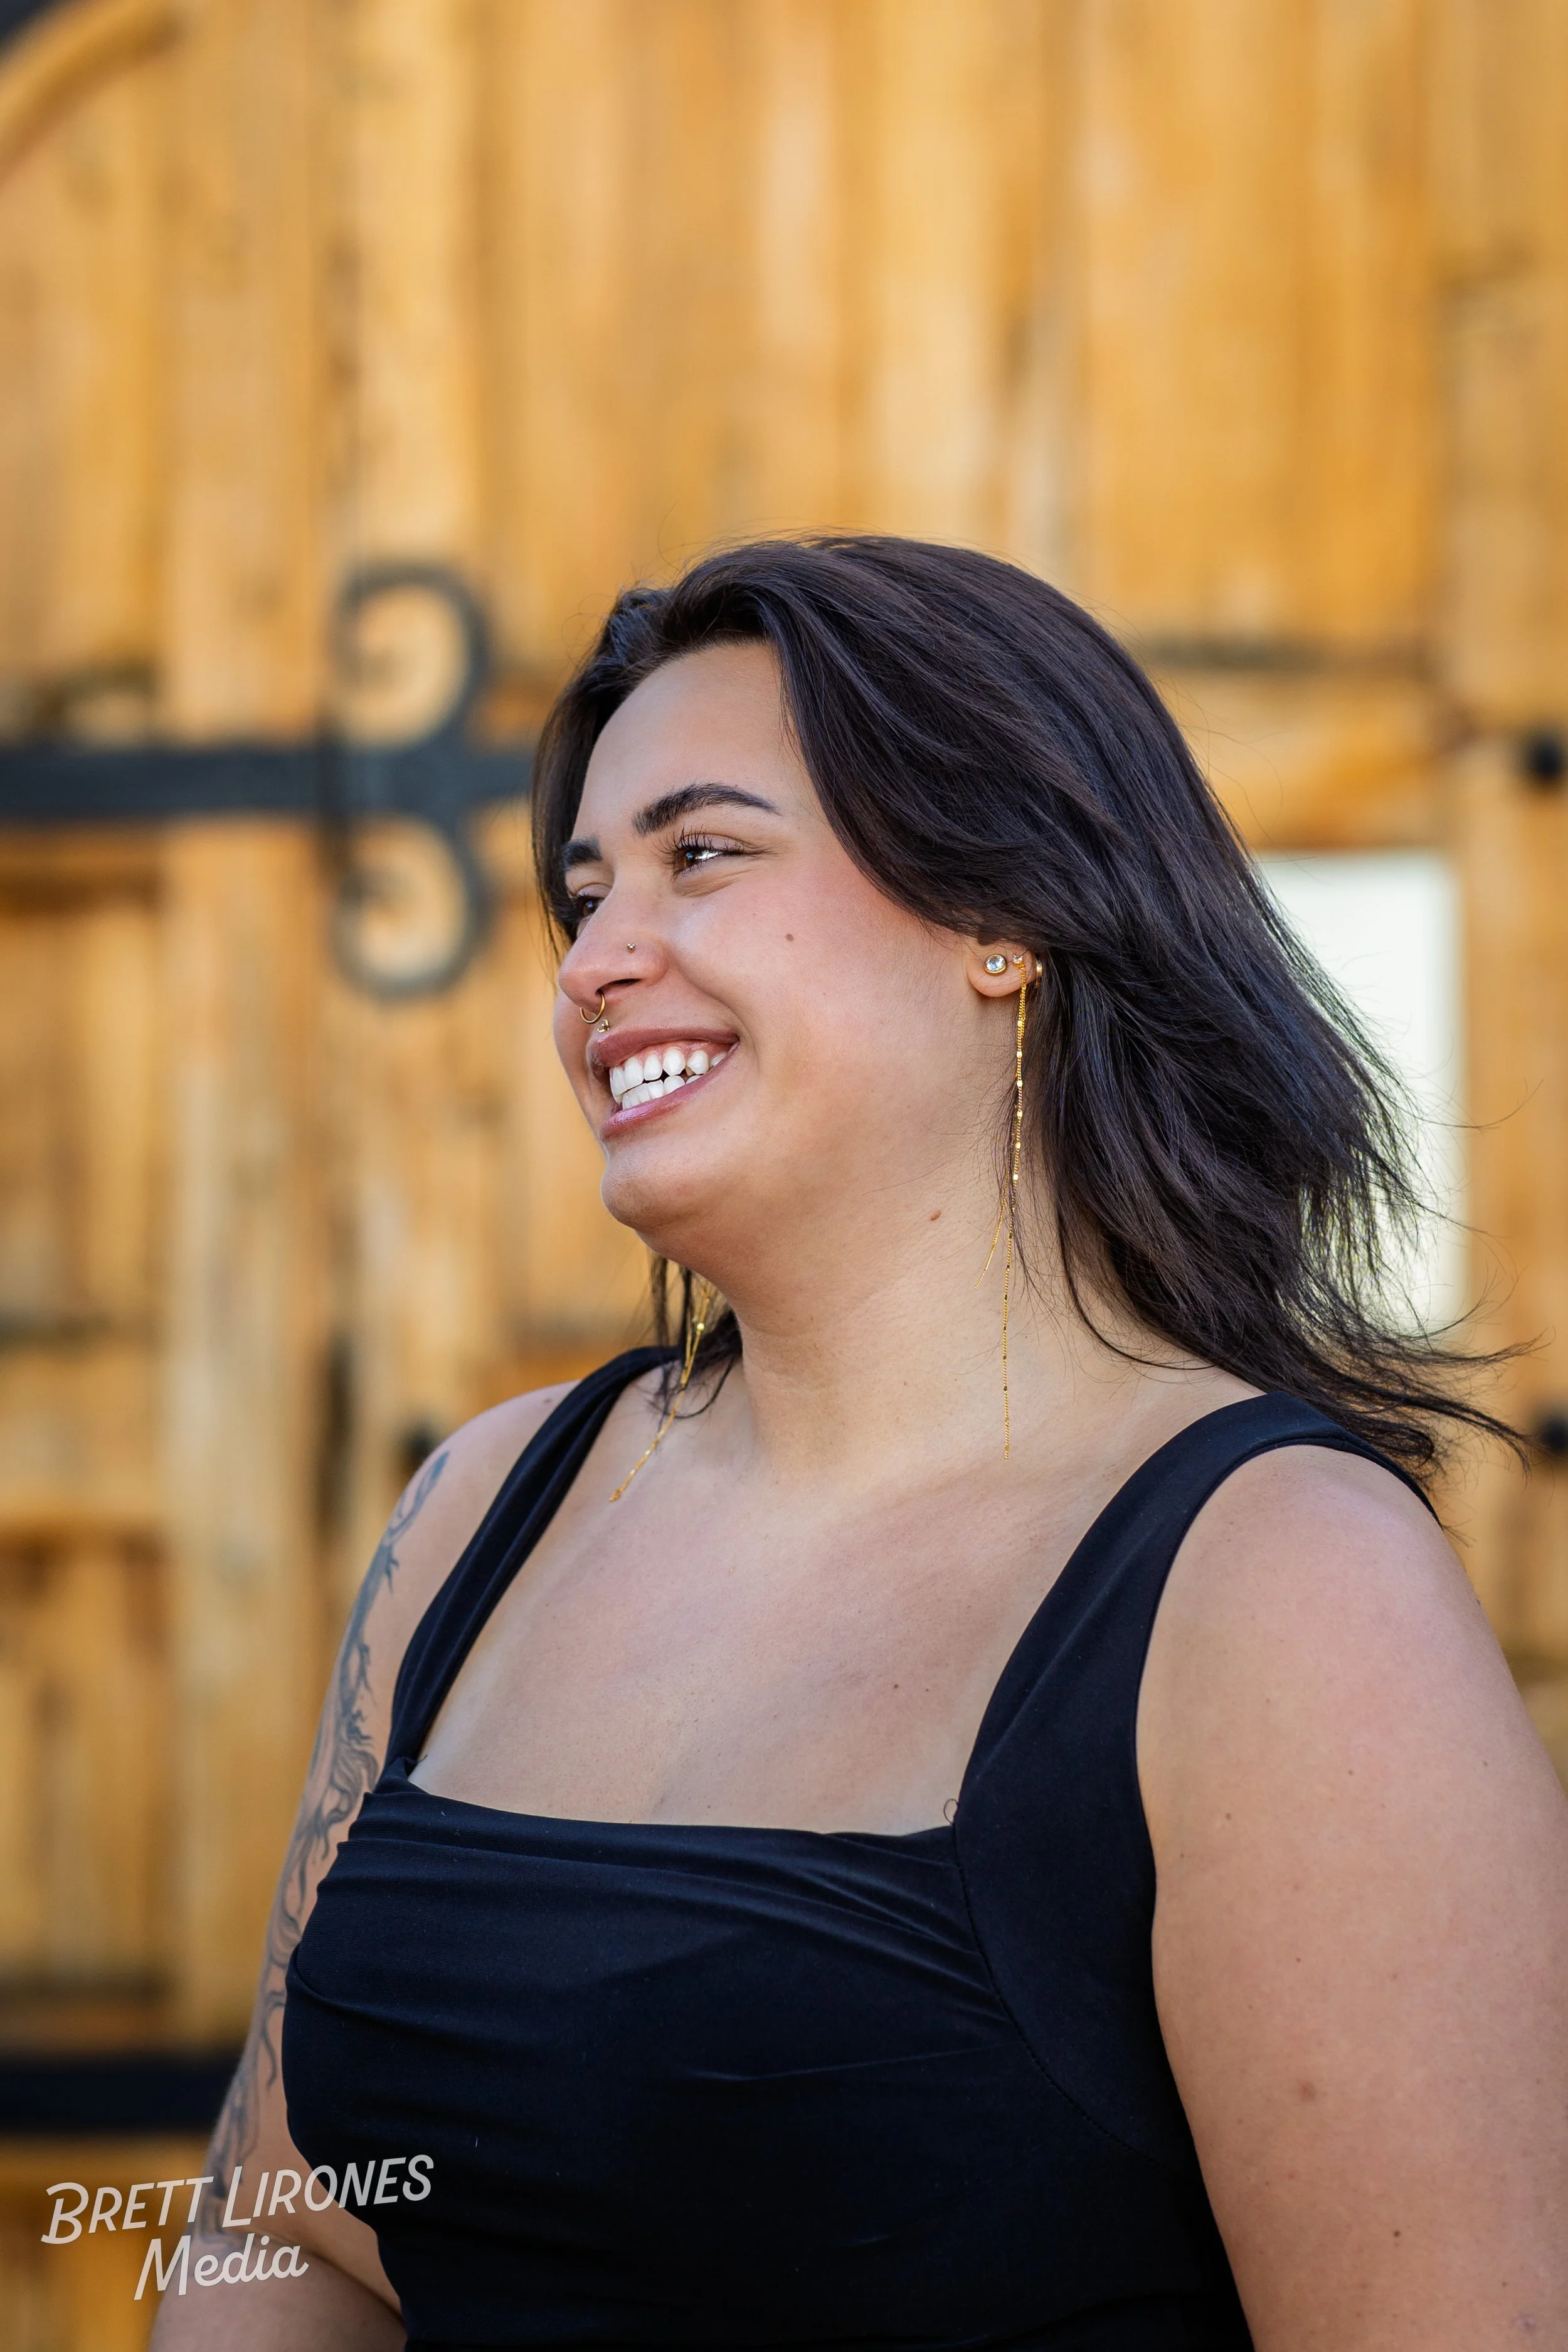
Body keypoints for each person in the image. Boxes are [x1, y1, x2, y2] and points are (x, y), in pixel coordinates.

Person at [152, 538, 1568, 2351]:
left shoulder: (1278, 1588)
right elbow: (281, 2234)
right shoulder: (486, 1508)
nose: (597, 959)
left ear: (1006, 916)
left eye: (704, 853)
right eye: (582, 895)